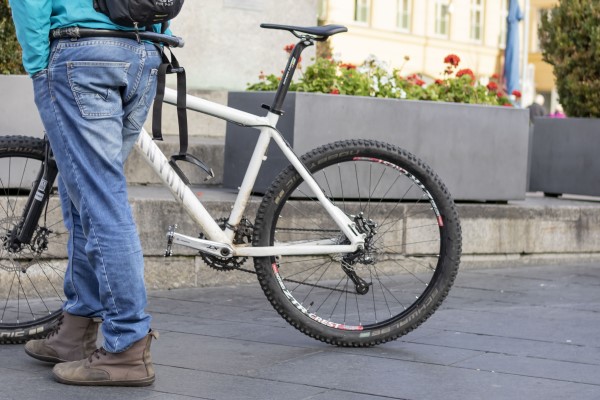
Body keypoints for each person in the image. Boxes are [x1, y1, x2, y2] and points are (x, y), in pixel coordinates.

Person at [9, 0, 165, 386]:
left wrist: (38, 64)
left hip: (81, 53)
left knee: (100, 200)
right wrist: (153, 40)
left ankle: (127, 345)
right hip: (141, 51)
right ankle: (77, 329)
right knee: (87, 196)